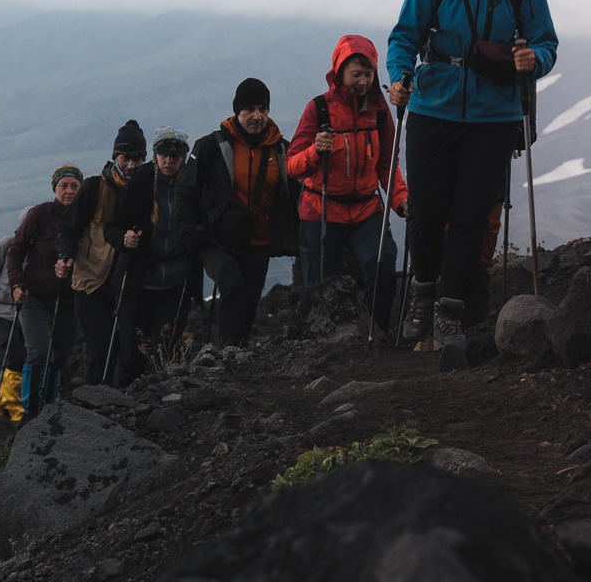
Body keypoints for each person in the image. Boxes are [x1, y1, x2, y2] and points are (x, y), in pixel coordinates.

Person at [386, 0, 557, 353]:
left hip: (492, 116)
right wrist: (400, 75)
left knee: (471, 217)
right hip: (432, 107)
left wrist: (533, 60)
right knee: (425, 209)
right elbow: (404, 36)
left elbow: (546, 43)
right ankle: (424, 292)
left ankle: (450, 310)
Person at [287, 35, 410, 304]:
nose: (363, 82)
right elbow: (292, 166)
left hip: (366, 210)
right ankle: (323, 344)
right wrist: (314, 152)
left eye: (368, 74)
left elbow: (387, 163)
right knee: (319, 292)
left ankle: (375, 336)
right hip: (321, 211)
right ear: (339, 72)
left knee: (383, 266)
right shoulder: (318, 109)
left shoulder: (378, 112)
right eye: (356, 74)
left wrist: (400, 201)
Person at [194, 79, 295, 346]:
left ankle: (238, 354)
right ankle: (227, 354)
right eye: (249, 109)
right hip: (218, 241)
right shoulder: (211, 147)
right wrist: (193, 234)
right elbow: (187, 193)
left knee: (250, 300)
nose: (257, 116)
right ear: (237, 111)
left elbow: (295, 192)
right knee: (232, 285)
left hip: (258, 241)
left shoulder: (282, 149)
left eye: (263, 109)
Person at [109, 127, 202, 383]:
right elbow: (112, 228)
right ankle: (121, 402)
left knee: (168, 349)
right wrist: (124, 239)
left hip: (175, 283)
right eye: (164, 153)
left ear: (183, 156)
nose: (169, 159)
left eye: (175, 154)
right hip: (138, 282)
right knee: (131, 352)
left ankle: (164, 404)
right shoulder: (139, 183)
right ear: (155, 154)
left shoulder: (193, 182)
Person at [64, 122, 146, 387]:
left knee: (128, 351)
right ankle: (91, 409)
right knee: (101, 350)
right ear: (115, 158)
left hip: (128, 284)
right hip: (91, 283)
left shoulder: (149, 190)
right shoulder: (93, 188)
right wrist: (64, 256)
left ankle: (117, 408)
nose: (132, 165)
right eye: (126, 158)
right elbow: (67, 228)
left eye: (138, 158)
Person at [1, 166, 83, 417]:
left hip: (71, 300)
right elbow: (15, 251)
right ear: (55, 189)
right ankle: (31, 414)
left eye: (74, 186)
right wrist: (16, 284)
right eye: (64, 186)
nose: (69, 191)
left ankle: (49, 410)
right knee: (39, 352)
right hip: (34, 297)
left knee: (58, 357)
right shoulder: (41, 214)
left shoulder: (87, 217)